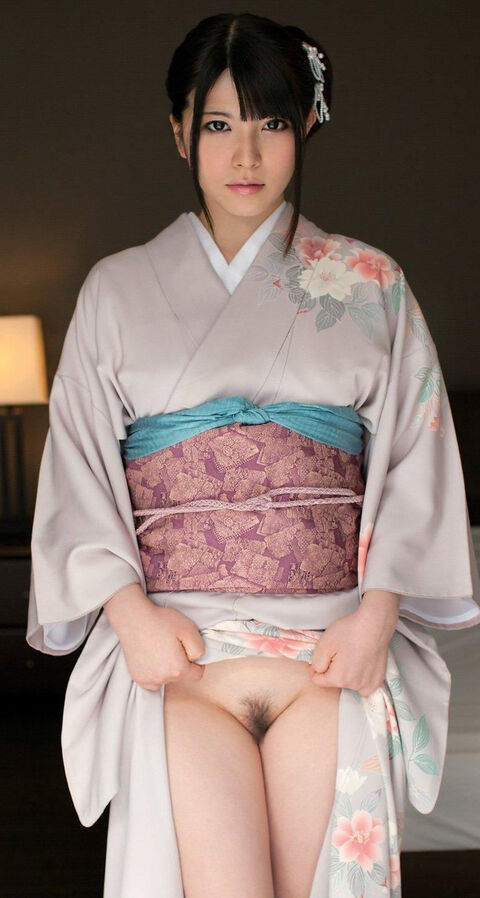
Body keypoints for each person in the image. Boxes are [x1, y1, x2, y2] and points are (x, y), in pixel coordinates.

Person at [26, 11, 480, 898]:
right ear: (179, 131)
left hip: (330, 651)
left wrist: (376, 619)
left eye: (271, 122)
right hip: (182, 659)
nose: (246, 154)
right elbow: (76, 471)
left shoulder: (372, 285)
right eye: (218, 124)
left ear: (304, 124)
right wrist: (130, 617)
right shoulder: (116, 291)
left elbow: (415, 463)